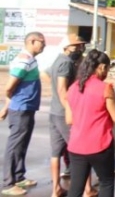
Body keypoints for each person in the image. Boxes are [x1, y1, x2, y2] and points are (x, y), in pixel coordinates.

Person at [65, 50, 115, 197]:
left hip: (76, 146)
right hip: (100, 145)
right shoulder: (105, 88)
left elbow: (69, 120)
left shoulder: (73, 88)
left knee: (75, 188)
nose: (107, 73)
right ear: (102, 67)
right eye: (107, 69)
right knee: (106, 182)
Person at [1, 32, 45, 197]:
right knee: (14, 145)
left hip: (27, 108)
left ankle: (19, 176)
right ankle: (8, 183)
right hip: (21, 109)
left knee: (22, 144)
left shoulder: (30, 59)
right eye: (42, 42)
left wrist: (6, 107)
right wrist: (9, 106)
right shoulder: (24, 60)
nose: (44, 45)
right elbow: (9, 87)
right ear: (32, 41)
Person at [46, 34, 89, 197]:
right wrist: (70, 111)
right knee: (81, 151)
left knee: (55, 153)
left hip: (54, 111)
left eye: (80, 46)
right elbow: (61, 89)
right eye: (76, 46)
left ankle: (56, 188)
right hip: (63, 113)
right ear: (66, 47)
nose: (79, 49)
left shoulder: (58, 60)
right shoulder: (66, 63)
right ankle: (87, 189)